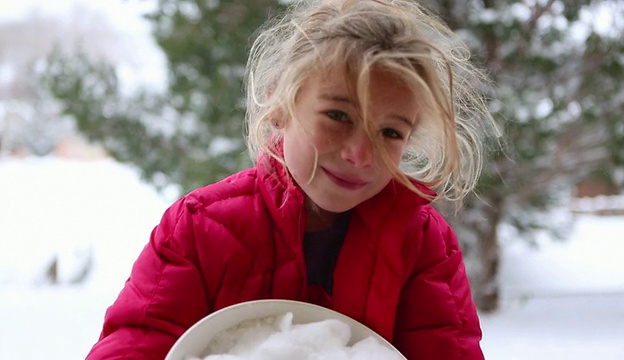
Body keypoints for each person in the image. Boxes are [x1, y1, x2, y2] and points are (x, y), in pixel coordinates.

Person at [87, 0, 499, 358]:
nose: (359, 154)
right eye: (338, 116)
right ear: (280, 104)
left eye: (390, 133)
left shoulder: (423, 244)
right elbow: (136, 344)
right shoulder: (199, 228)